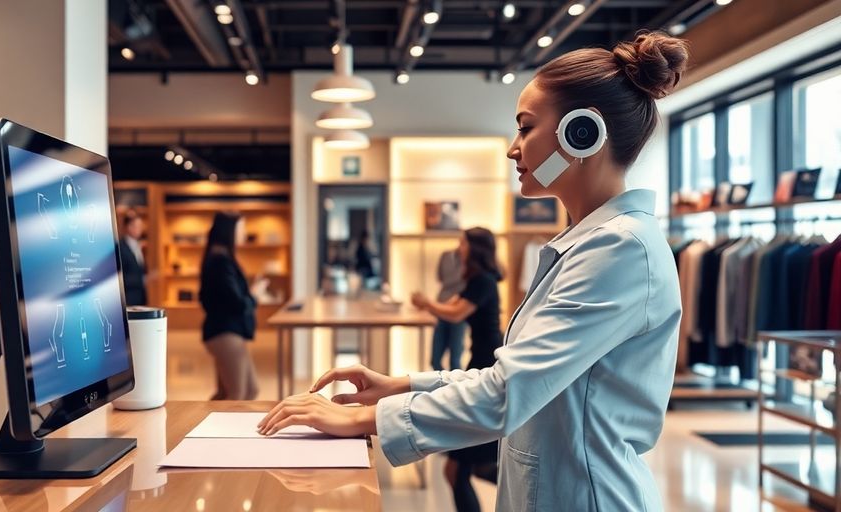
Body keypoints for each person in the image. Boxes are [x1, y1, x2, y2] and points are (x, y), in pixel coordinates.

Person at [258, 31, 687, 511]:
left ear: (580, 132)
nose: (513, 149)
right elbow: (516, 376)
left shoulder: (620, 248)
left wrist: (364, 419)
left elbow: (507, 393)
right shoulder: (594, 242)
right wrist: (402, 385)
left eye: (526, 128)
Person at [413, 227, 504, 512]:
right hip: (481, 363)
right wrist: (430, 305)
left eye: (462, 243)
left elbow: (455, 313)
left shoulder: (484, 281)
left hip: (486, 366)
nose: (458, 248)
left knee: (457, 470)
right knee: (466, 469)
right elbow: (452, 304)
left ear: (474, 248)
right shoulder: (478, 280)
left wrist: (427, 303)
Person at [199, 212, 259, 400]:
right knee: (238, 394)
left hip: (226, 332)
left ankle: (206, 418)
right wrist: (254, 295)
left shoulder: (219, 259)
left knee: (232, 393)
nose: (244, 233)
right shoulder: (220, 262)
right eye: (241, 229)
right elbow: (236, 302)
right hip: (225, 333)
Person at [428, 247, 467, 371]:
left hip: (459, 310)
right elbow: (439, 277)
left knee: (455, 359)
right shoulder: (446, 255)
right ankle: (441, 382)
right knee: (435, 360)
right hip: (442, 308)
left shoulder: (472, 261)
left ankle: (453, 382)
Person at [118, 212, 147, 306]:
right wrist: (142, 280)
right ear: (129, 227)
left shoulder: (138, 246)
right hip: (128, 299)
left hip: (140, 299)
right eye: (137, 226)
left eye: (141, 226)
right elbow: (119, 277)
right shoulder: (120, 247)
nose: (140, 229)